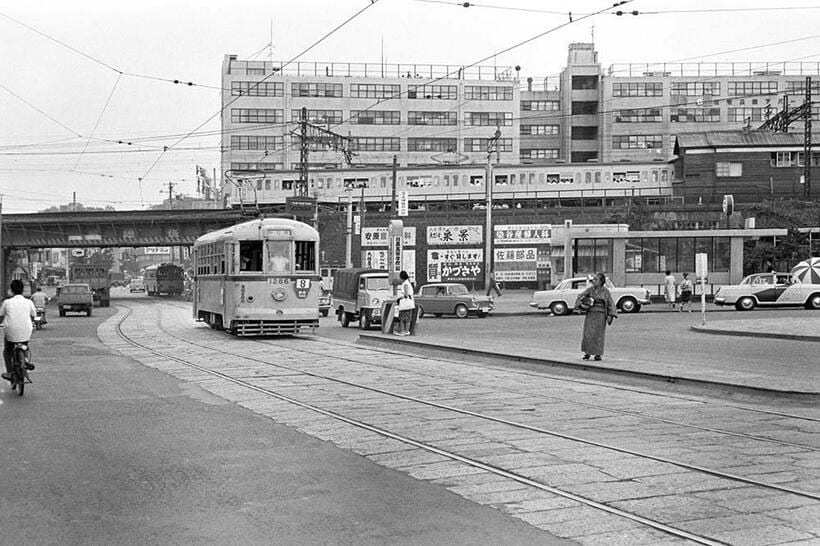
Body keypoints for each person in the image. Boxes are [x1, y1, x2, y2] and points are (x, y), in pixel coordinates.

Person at [575, 272, 617, 361]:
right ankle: (587, 352)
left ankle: (598, 354)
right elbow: (580, 296)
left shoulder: (605, 291)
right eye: (593, 279)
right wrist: (581, 305)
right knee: (588, 334)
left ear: (601, 281)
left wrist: (611, 314)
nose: (593, 281)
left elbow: (610, 303)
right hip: (590, 314)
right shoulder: (590, 290)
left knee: (599, 335)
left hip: (601, 315)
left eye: (595, 279)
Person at [0, 279, 37, 381]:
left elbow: (1, 316)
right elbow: (33, 315)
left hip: (10, 331)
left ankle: (10, 373)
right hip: (26, 330)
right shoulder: (28, 302)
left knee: (7, 350)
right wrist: (30, 323)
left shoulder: (7, 302)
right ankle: (25, 360)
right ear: (22, 290)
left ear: (11, 290)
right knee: (25, 345)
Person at [394, 271, 414, 336]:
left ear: (401, 277)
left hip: (405, 303)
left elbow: (406, 294)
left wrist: (400, 297)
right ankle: (406, 331)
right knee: (408, 318)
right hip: (410, 302)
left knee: (402, 318)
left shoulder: (405, 284)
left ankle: (403, 331)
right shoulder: (408, 282)